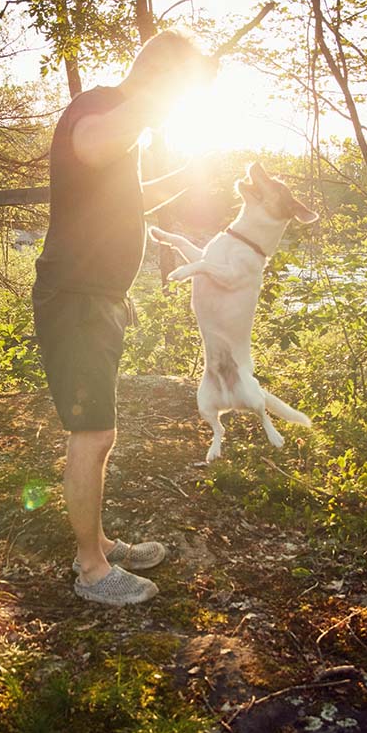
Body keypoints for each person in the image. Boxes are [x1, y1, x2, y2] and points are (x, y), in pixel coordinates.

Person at [34, 30, 218, 605]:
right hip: (77, 298)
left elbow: (129, 197)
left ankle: (100, 541)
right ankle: (91, 571)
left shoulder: (125, 130)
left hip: (101, 300)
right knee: (93, 433)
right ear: (157, 75)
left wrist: (185, 181)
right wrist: (157, 97)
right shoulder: (98, 106)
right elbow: (90, 145)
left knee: (99, 433)